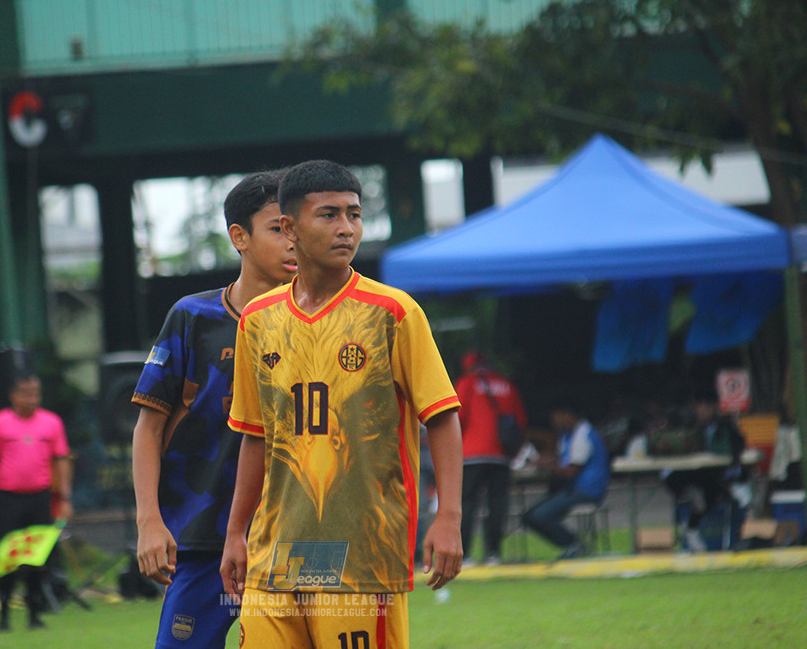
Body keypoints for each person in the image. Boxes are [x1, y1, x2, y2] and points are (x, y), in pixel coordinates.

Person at [220, 159, 464, 647]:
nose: (347, 228)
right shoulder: (258, 320)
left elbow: (441, 417)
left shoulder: (394, 313)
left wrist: (449, 518)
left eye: (354, 214)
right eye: (329, 215)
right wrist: (235, 533)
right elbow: (254, 436)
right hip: (276, 554)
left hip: (362, 555)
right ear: (290, 227)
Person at [131, 170, 297, 649]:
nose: (292, 241)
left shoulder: (320, 323)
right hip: (203, 536)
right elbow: (148, 427)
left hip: (296, 538)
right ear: (239, 237)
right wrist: (149, 520)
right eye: (277, 228)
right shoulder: (192, 318)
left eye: (296, 228)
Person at [0, 374, 72, 631]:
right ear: (13, 395)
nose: (32, 399)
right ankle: (4, 615)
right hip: (9, 499)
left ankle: (34, 614)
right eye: (26, 394)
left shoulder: (51, 423)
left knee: (36, 558)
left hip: (40, 498)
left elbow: (61, 461)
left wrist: (64, 498)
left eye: (36, 394)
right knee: (7, 557)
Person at [453, 350, 527, 566]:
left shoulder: (466, 383)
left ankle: (464, 554)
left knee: (467, 504)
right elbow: (520, 421)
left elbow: (456, 417)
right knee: (497, 505)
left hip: (471, 455)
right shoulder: (507, 385)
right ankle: (493, 553)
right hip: (500, 456)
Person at [522, 396, 609, 559]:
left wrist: (545, 466)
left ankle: (574, 544)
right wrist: (544, 460)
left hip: (586, 490)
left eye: (556, 416)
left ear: (567, 415)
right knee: (530, 516)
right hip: (575, 489)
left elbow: (570, 471)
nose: (553, 421)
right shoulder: (568, 435)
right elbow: (564, 459)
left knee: (537, 517)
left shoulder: (583, 435)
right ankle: (572, 545)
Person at [662, 387, 745, 552]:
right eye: (701, 406)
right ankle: (691, 525)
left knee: (722, 492)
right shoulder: (683, 422)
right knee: (697, 492)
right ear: (694, 406)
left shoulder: (723, 425)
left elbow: (738, 444)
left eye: (709, 406)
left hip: (707, 476)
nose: (705, 410)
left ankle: (694, 528)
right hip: (681, 473)